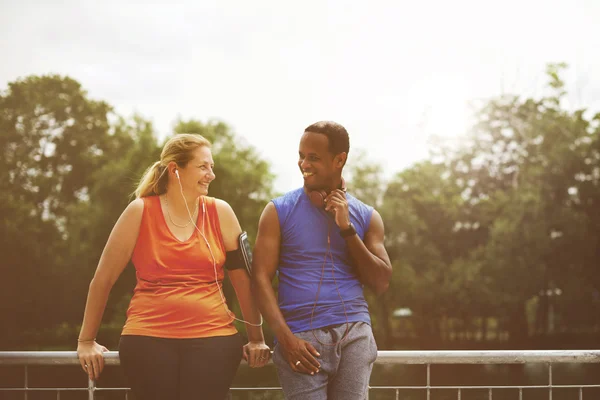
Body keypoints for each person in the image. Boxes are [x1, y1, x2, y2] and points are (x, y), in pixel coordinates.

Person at [76, 133, 270, 400]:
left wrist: (256, 338)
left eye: (211, 167)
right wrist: (86, 341)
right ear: (174, 169)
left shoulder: (221, 212)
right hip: (147, 339)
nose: (211, 175)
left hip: (214, 339)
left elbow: (242, 281)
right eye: (203, 167)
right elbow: (103, 279)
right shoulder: (139, 211)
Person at [251, 121, 393, 400]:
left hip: (355, 334)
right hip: (301, 339)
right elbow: (259, 279)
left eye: (313, 157)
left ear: (339, 160)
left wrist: (347, 229)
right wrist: (285, 339)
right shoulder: (277, 211)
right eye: (301, 155)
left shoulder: (367, 216)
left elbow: (380, 282)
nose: (304, 163)